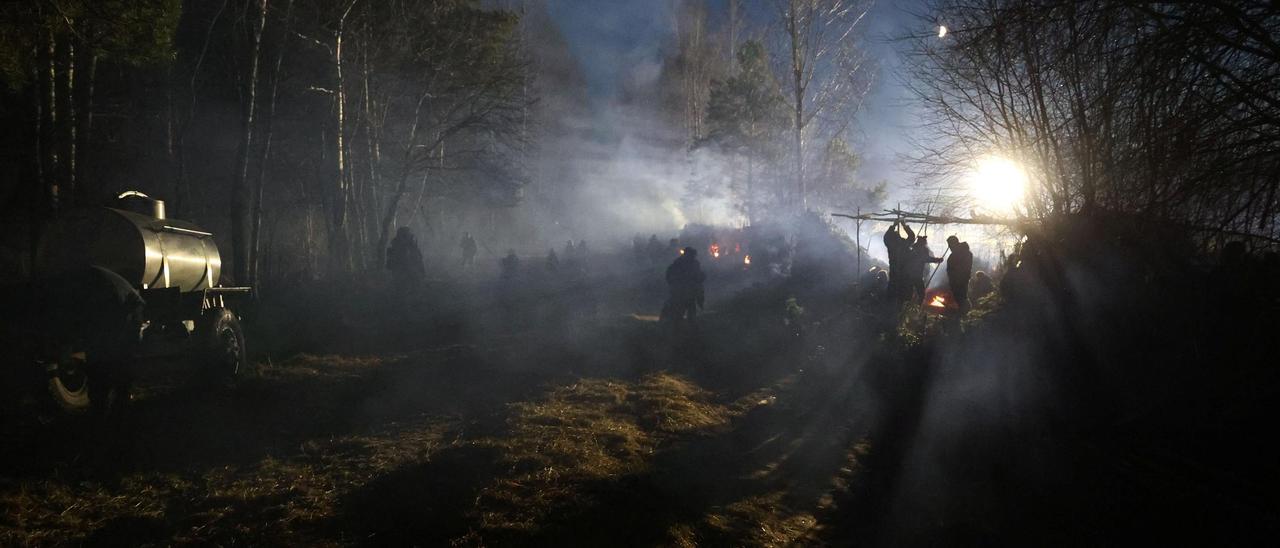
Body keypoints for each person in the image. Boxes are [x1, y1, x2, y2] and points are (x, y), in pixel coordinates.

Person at [663, 247, 706, 326]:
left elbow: (698, 277)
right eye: (692, 255)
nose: (693, 257)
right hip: (681, 293)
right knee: (680, 313)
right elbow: (670, 276)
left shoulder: (693, 263)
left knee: (690, 313)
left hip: (689, 293)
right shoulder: (679, 263)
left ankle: (688, 330)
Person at [883, 220, 916, 301]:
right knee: (902, 286)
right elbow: (912, 236)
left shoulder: (892, 245)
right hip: (903, 269)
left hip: (896, 268)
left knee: (895, 285)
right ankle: (899, 301)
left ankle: (893, 301)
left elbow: (886, 238)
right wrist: (904, 225)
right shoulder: (903, 244)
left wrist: (893, 226)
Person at [907, 235, 943, 300]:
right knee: (921, 293)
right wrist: (937, 260)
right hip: (916, 275)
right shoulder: (921, 250)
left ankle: (910, 304)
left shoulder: (912, 248)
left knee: (911, 291)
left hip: (910, 274)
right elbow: (926, 258)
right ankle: (917, 304)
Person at [946, 235, 974, 311]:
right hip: (957, 279)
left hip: (960, 279)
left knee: (961, 296)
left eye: (950, 244)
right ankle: (964, 311)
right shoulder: (960, 253)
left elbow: (963, 267)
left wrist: (956, 277)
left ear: (954, 243)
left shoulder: (962, 253)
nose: (949, 247)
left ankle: (965, 311)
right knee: (960, 296)